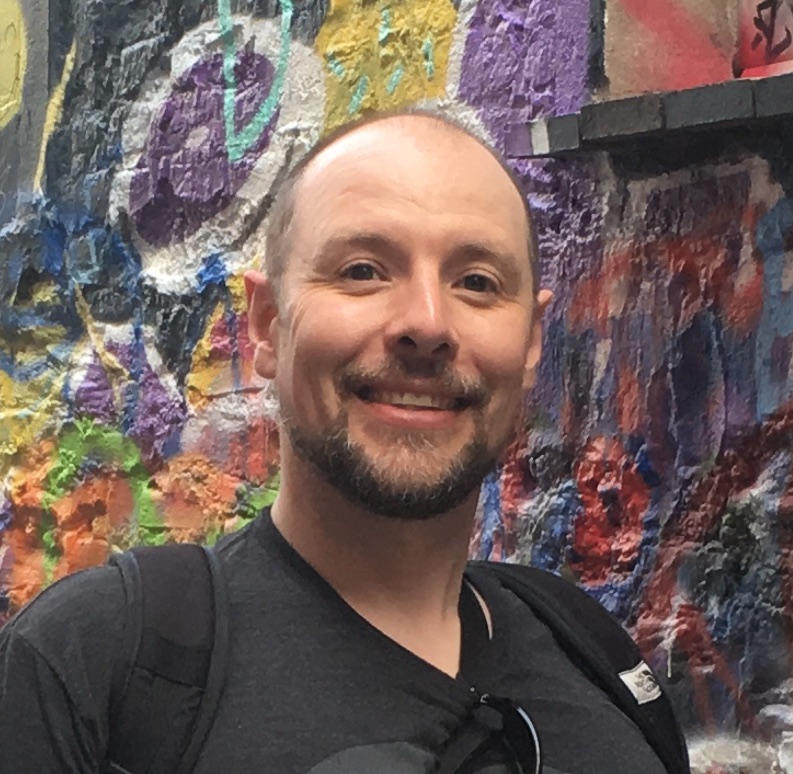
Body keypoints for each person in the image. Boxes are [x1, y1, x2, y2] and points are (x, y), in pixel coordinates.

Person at [0, 110, 688, 773]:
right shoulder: (92, 665)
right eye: (362, 270)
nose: (426, 322)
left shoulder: (597, 662)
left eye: (476, 283)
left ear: (531, 341)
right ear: (267, 325)